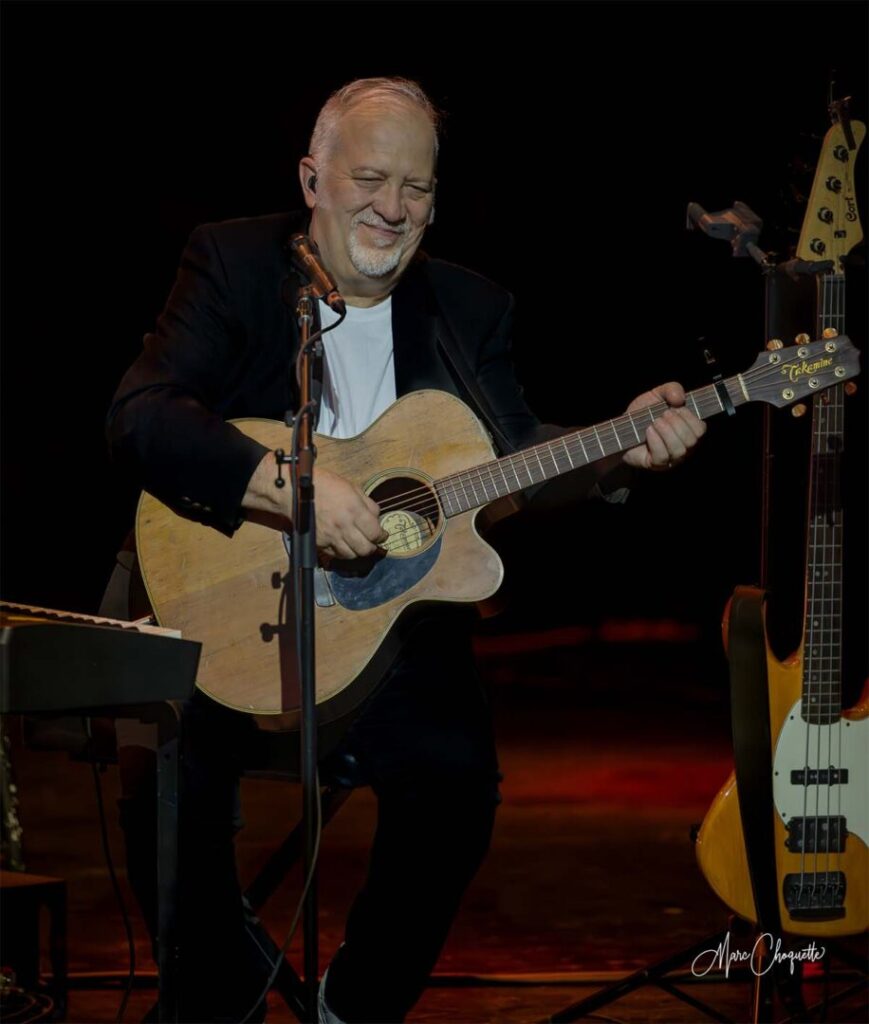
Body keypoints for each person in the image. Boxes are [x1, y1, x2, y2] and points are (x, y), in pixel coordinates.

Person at [105, 76, 706, 1023]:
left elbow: (511, 460)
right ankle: (220, 991)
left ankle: (359, 1003)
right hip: (221, 594)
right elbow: (141, 418)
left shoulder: (469, 306)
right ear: (313, 177)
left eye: (416, 189)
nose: (392, 208)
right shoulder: (231, 261)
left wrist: (613, 450)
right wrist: (297, 492)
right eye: (371, 179)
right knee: (163, 789)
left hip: (380, 636)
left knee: (458, 785)